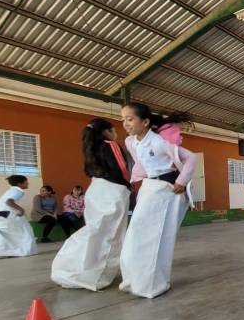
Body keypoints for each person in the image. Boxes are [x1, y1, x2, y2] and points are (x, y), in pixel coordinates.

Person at [119, 103, 197, 298]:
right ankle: (133, 278)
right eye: (123, 120)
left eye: (130, 119)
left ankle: (154, 284)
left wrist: (181, 181)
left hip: (168, 190)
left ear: (145, 122)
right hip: (149, 188)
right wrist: (135, 180)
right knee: (136, 234)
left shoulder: (159, 142)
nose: (125, 123)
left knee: (159, 237)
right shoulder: (130, 142)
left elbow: (191, 158)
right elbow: (140, 162)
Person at [51, 118, 132, 291]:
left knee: (95, 232)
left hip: (96, 190)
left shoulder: (90, 148)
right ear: (107, 131)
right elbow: (123, 170)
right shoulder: (110, 145)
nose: (116, 134)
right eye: (114, 130)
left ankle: (73, 265)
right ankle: (95, 276)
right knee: (110, 235)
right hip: (112, 191)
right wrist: (128, 186)